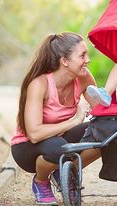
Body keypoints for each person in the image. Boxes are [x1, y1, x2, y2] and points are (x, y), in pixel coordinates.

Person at [10, 32, 100, 205]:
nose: (88, 59)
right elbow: (34, 133)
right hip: (27, 147)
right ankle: (41, 182)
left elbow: (100, 109)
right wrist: (74, 120)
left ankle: (66, 174)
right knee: (60, 149)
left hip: (60, 139)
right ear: (64, 61)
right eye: (82, 55)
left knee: (104, 134)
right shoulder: (39, 84)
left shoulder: (83, 77)